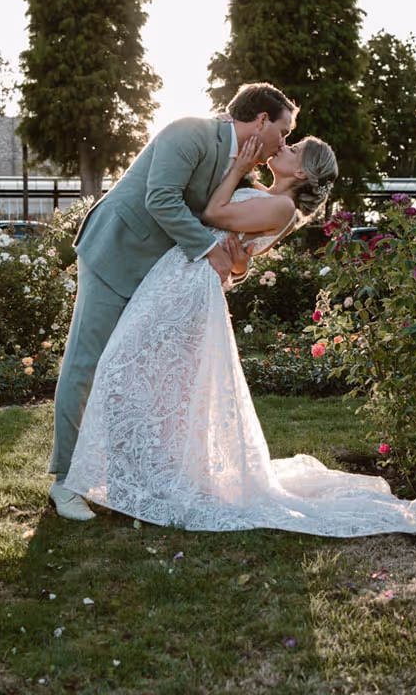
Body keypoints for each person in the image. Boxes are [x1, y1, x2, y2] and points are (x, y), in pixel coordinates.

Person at [64, 136, 416, 537]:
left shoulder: (281, 205)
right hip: (181, 277)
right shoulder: (273, 199)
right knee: (149, 381)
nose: (285, 147)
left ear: (300, 172)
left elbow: (213, 212)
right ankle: (142, 476)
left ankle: (143, 480)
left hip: (189, 284)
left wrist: (239, 168)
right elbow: (238, 251)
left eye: (294, 150)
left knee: (129, 373)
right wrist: (241, 262)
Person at [49, 82, 298, 520]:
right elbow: (160, 198)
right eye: (284, 130)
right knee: (87, 365)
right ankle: (65, 482)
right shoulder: (189, 132)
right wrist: (210, 249)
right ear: (261, 121)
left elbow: (232, 242)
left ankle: (123, 476)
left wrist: (237, 266)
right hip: (116, 253)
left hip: (160, 280)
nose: (284, 142)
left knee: (139, 378)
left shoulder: (243, 174)